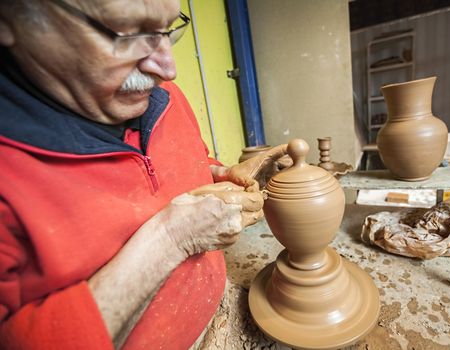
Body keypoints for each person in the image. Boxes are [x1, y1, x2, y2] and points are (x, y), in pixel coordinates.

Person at [0, 0, 287, 349]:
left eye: (167, 28)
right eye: (129, 32)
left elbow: (162, 166)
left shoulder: (159, 95)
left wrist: (217, 172)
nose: (168, 69)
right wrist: (172, 239)